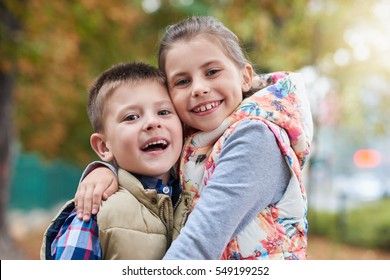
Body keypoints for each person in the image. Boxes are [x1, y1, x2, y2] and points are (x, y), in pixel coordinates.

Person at [75, 16, 313, 260]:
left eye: (211, 72)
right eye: (182, 81)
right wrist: (105, 170)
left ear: (245, 77)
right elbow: (146, 172)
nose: (198, 88)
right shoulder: (195, 139)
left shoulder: (256, 138)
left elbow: (197, 246)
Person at [40, 62, 195, 260]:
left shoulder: (195, 192)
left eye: (164, 112)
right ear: (104, 147)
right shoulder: (94, 214)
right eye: (131, 117)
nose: (152, 122)